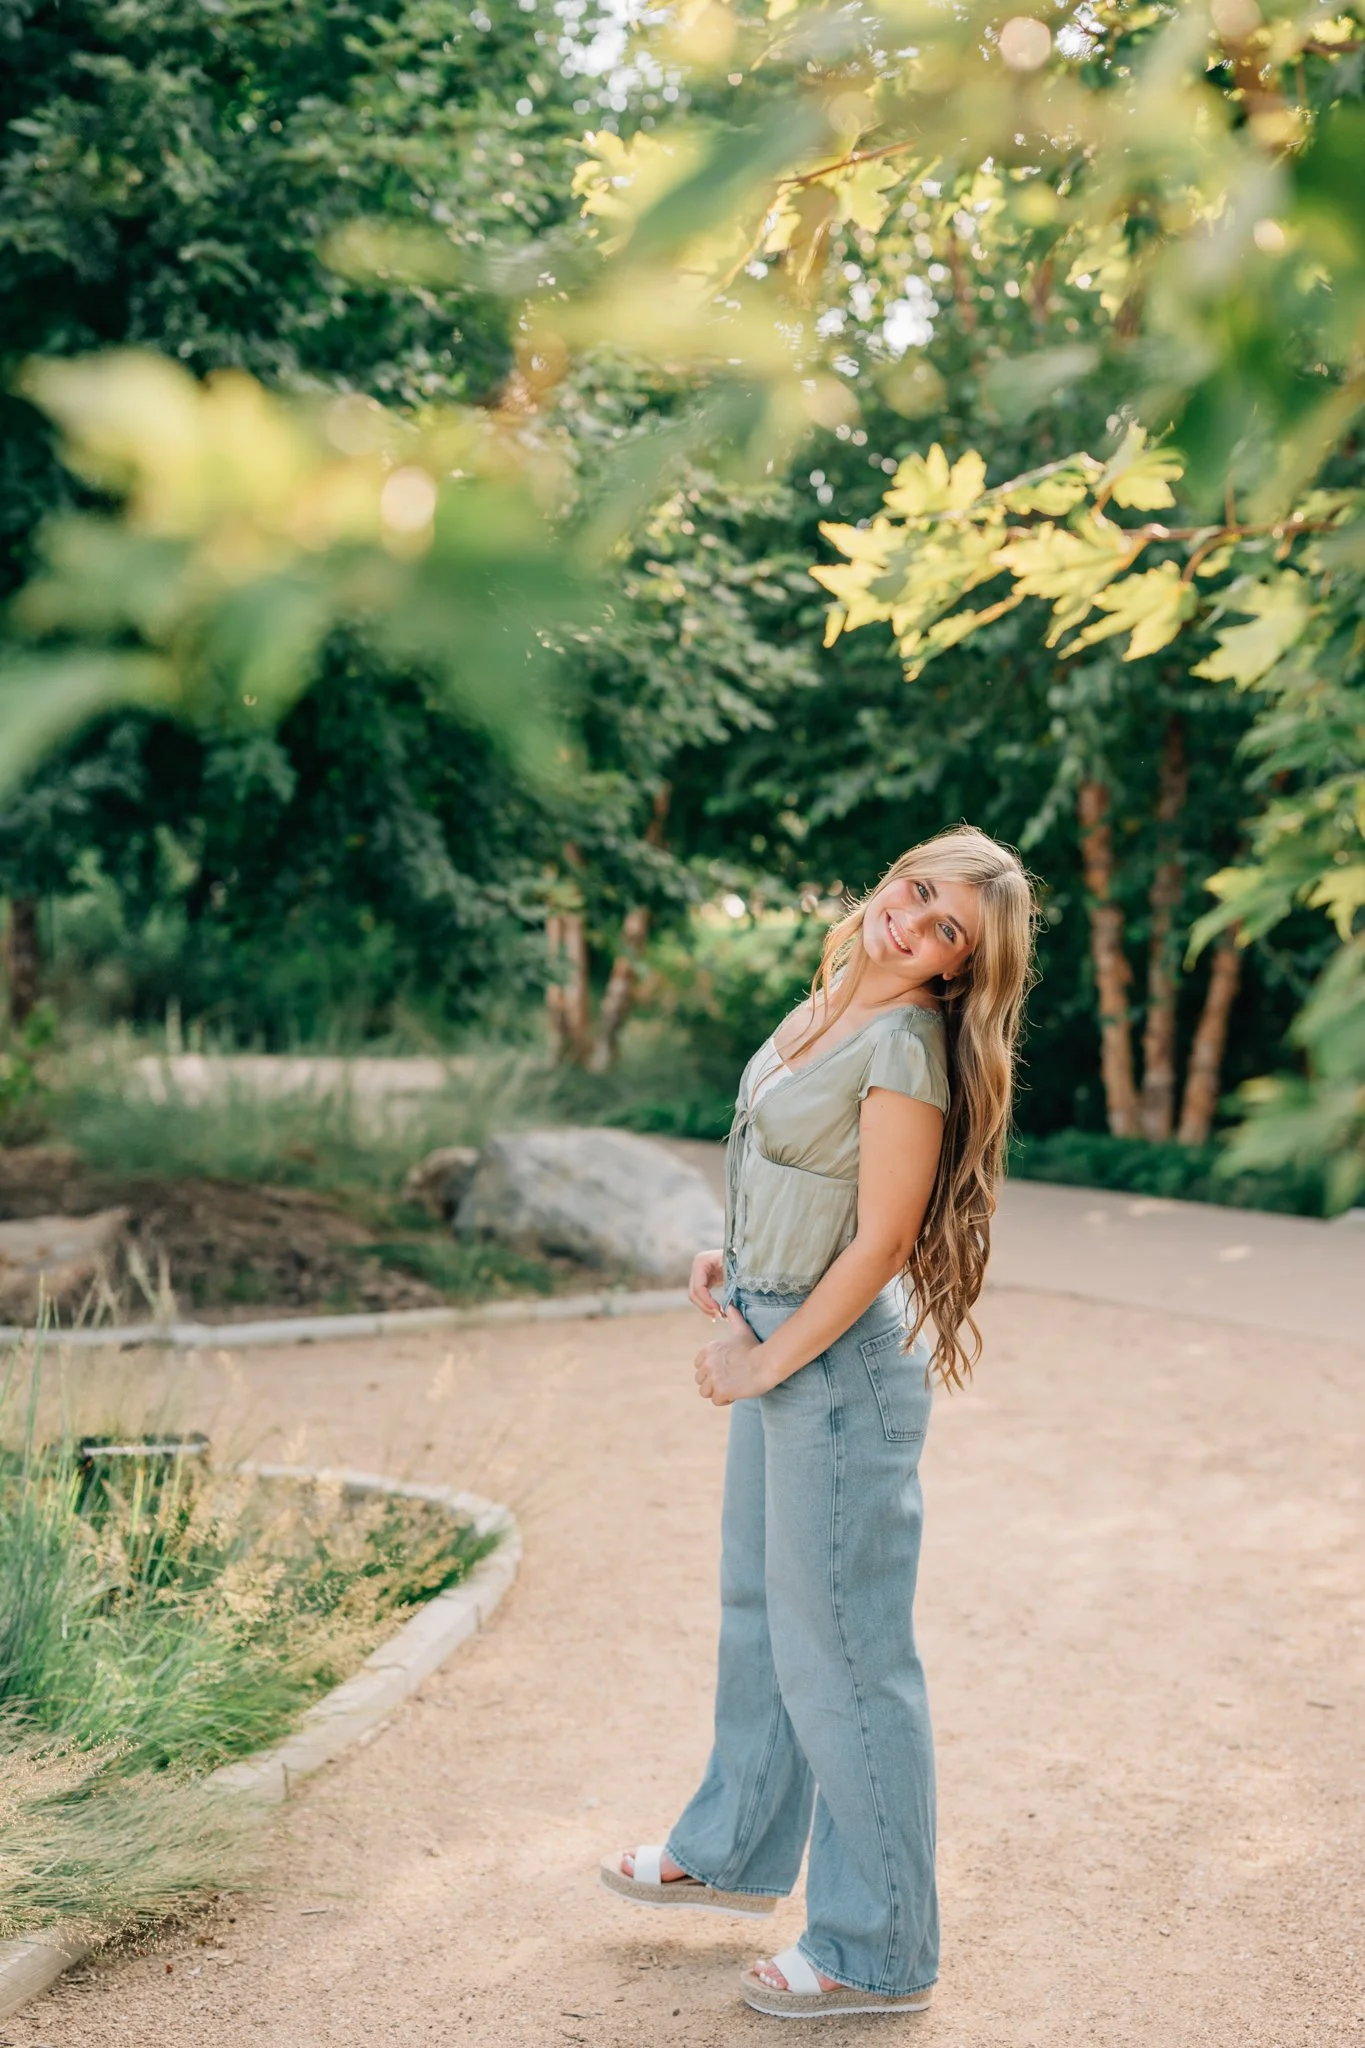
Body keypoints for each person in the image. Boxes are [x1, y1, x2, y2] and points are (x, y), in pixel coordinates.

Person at [599, 824, 1038, 2020]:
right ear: (892, 879)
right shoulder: (833, 999)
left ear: (960, 965)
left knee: (845, 1653)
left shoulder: (905, 1045)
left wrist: (762, 1359)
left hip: (834, 1366)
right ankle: (733, 1845)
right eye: (917, 892)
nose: (914, 923)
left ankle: (877, 1948)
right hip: (782, 1320)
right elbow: (804, 1169)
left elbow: (883, 1239)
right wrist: (734, 1256)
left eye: (946, 928)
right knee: (760, 1609)